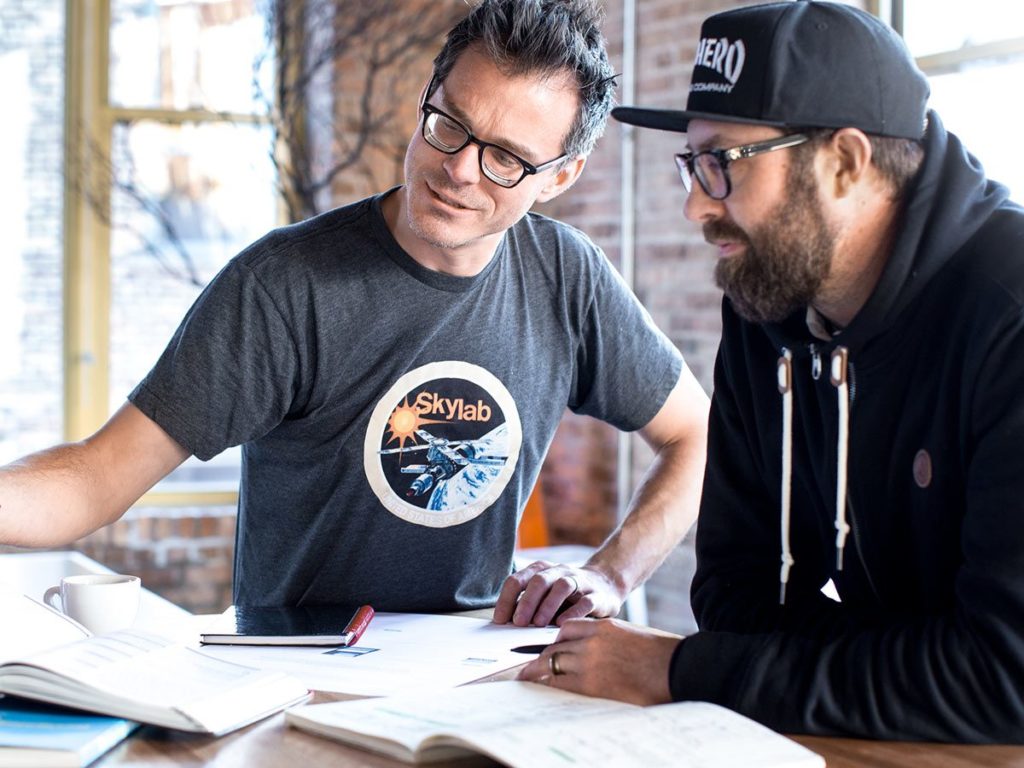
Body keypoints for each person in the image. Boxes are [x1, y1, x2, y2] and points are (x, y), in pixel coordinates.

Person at [0, 0, 709, 626]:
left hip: (476, 667)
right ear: (428, 97)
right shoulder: (283, 285)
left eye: (505, 159)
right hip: (296, 671)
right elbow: (96, 478)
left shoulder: (568, 277)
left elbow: (696, 435)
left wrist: (611, 574)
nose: (460, 169)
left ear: (561, 176)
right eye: (450, 125)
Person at [519, 0, 1024, 743]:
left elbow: (1003, 678)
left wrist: (684, 671)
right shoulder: (771, 302)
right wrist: (901, 669)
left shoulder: (1008, 315)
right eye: (692, 166)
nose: (696, 206)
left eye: (722, 165)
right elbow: (734, 594)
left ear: (845, 162)